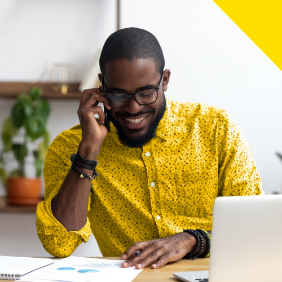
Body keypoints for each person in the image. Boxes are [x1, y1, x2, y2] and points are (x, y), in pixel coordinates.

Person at [36, 27, 263, 269]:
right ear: (101, 86)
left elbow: (254, 227)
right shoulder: (70, 147)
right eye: (118, 95)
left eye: (146, 93)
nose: (133, 108)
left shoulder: (217, 129)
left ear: (164, 80)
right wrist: (89, 151)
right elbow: (58, 243)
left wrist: (192, 240)